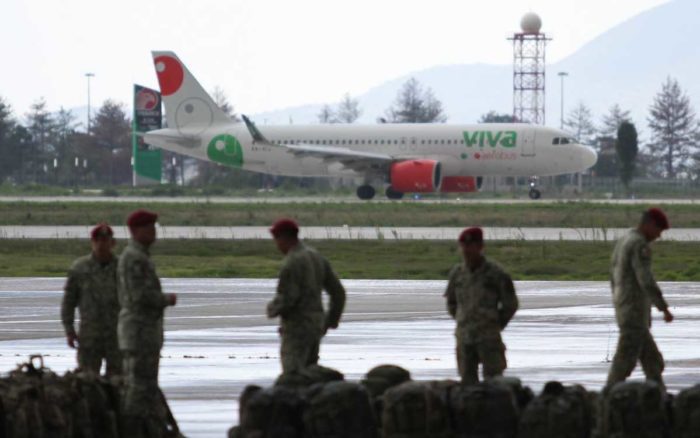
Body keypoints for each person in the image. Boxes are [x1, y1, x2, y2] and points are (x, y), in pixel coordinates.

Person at [118, 209, 178, 436]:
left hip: (144, 332)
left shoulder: (140, 256)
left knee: (144, 386)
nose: (154, 232)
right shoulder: (134, 258)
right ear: (135, 231)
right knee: (138, 388)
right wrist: (165, 299)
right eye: (148, 227)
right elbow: (138, 296)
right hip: (139, 333)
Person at [266, 218, 346, 374]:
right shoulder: (316, 257)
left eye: (276, 239)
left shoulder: (292, 262)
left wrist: (272, 309)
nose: (277, 244)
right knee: (311, 374)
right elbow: (338, 293)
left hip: (296, 328)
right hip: (316, 326)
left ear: (283, 237)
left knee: (293, 376)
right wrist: (331, 321)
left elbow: (288, 298)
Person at [606, 208, 673, 391]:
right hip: (634, 314)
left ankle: (659, 396)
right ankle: (606, 401)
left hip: (626, 310)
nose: (658, 236)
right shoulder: (638, 245)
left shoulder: (625, 240)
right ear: (650, 224)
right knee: (623, 363)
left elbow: (613, 275)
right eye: (658, 230)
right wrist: (663, 308)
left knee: (653, 362)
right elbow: (646, 280)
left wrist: (619, 304)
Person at [444, 227, 519, 384]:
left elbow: (510, 304)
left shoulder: (496, 274)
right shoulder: (457, 274)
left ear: (480, 246)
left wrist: (495, 324)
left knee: (494, 385)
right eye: (463, 246)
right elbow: (451, 303)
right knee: (467, 386)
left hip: (488, 338)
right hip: (464, 339)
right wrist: (463, 320)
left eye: (470, 246)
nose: (466, 250)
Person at [61, 223, 121, 376]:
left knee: (118, 382)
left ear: (112, 243)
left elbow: (134, 301)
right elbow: (68, 302)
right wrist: (69, 330)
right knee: (87, 382)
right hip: (89, 337)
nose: (101, 244)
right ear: (92, 242)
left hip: (117, 336)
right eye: (97, 240)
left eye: (105, 240)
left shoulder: (123, 268)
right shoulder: (80, 268)